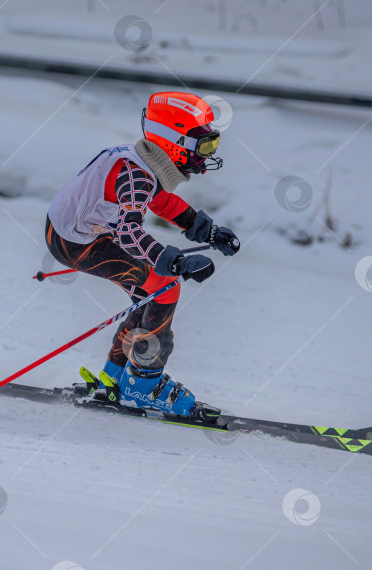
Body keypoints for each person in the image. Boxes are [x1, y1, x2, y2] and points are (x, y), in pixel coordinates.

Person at [45, 92, 239, 418]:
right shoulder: (136, 175)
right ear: (174, 142)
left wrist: (206, 231)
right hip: (76, 241)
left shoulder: (144, 161)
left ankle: (114, 379)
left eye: (212, 145)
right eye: (203, 145)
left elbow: (160, 201)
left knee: (151, 293)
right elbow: (128, 232)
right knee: (165, 288)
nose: (207, 154)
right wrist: (174, 262)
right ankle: (143, 385)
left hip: (75, 231)